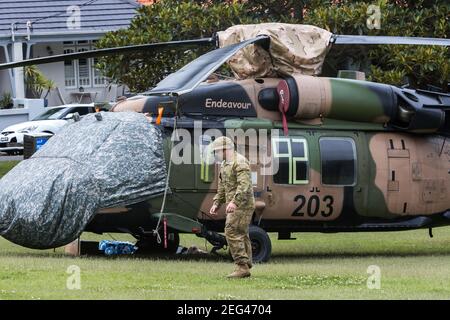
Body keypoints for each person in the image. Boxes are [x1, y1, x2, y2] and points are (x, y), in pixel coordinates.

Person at [209, 136, 255, 278]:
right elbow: (223, 186)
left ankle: (241, 266)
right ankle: (246, 264)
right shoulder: (225, 164)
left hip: (243, 204)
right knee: (241, 233)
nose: (215, 154)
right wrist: (217, 203)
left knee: (231, 231)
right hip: (236, 204)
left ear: (225, 149)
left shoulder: (240, 162)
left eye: (217, 151)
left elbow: (244, 186)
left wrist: (234, 202)